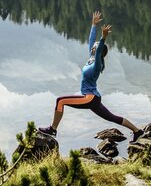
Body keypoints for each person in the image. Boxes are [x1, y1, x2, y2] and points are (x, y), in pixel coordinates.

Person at [38, 11, 144, 143]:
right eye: (94, 46)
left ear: (99, 52)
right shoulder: (91, 59)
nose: (93, 46)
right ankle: (137, 131)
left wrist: (103, 37)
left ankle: (53, 129)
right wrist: (93, 25)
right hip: (94, 98)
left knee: (60, 101)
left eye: (95, 47)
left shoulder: (97, 65)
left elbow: (99, 48)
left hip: (89, 98)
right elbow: (90, 40)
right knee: (112, 117)